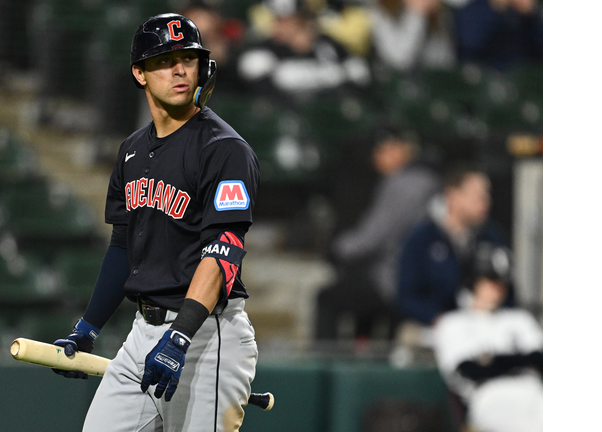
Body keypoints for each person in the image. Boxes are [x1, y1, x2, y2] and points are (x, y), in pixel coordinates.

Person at [50, 13, 261, 432]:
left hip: (204, 334)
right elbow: (123, 247)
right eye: (164, 60)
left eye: (188, 58)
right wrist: (88, 328)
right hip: (141, 333)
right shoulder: (131, 150)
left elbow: (223, 253)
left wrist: (180, 336)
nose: (180, 69)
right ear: (140, 73)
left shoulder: (225, 149)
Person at [315, 127, 440, 341]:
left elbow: (372, 239)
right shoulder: (426, 180)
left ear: (401, 149)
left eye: (383, 150)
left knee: (327, 298)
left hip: (397, 279)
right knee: (360, 297)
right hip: (413, 276)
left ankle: (324, 366)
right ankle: (362, 354)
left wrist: (337, 248)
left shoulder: (405, 184)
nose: (378, 157)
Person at [433, 243, 542, 432]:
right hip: (488, 396)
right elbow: (468, 370)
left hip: (534, 390)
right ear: (474, 280)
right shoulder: (452, 323)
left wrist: (494, 360)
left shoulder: (519, 319)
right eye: (491, 281)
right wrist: (521, 359)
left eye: (503, 283)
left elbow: (541, 360)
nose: (498, 289)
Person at [395, 163, 511, 329]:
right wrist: (439, 319)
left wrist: (493, 302)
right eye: (478, 196)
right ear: (453, 196)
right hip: (431, 330)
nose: (486, 202)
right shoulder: (421, 238)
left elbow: (509, 292)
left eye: (487, 195)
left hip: (485, 327)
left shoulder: (492, 237)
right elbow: (406, 297)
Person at [237, 0, 371, 102]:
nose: (278, 26)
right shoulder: (262, 53)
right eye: (277, 20)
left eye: (286, 20)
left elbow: (360, 75)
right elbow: (265, 99)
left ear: (303, 20)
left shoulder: (329, 46)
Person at [369, 0, 457, 72]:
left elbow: (444, 62)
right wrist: (417, 14)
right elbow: (399, 62)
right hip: (395, 87)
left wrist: (430, 15)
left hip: (432, 87)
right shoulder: (379, 9)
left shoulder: (438, 11)